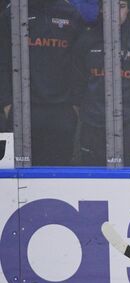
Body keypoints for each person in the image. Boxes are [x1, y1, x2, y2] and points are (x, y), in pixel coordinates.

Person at [72, 0, 130, 166]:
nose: (115, 12)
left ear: (128, 10)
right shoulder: (85, 42)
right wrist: (91, 112)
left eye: (121, 6)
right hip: (94, 127)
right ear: (101, 10)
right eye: (109, 6)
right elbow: (76, 87)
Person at [0, 0, 84, 166]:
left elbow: (80, 63)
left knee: (58, 176)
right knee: (22, 179)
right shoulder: (12, 14)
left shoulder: (71, 14)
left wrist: (76, 104)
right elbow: (3, 62)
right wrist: (7, 103)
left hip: (62, 112)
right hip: (23, 111)